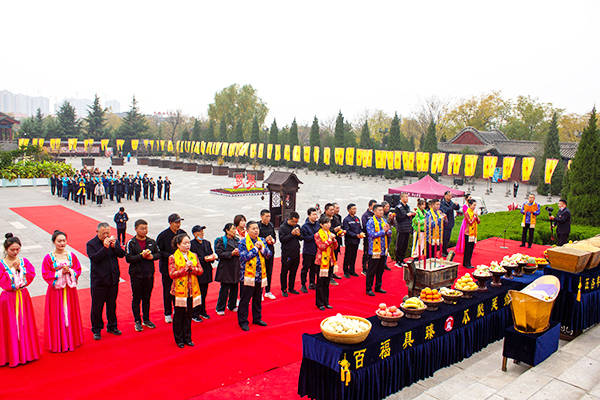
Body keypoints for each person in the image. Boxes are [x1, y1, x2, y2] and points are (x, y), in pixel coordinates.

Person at [0, 233, 40, 367]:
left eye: (17, 249)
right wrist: (13, 270)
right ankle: (10, 355)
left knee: (24, 323)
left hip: (22, 295)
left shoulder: (23, 262)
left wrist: (20, 270)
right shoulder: (2, 264)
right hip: (8, 298)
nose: (15, 252)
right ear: (6, 249)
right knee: (9, 325)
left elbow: (30, 275)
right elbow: (3, 282)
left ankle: (26, 353)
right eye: (12, 250)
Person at [42, 230, 83, 353]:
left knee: (70, 313)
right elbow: (45, 273)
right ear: (54, 242)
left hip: (69, 290)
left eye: (64, 240)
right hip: (56, 291)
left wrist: (70, 271)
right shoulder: (49, 257)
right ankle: (58, 342)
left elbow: (78, 269)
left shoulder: (71, 255)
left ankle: (71, 340)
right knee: (56, 314)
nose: (62, 243)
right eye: (59, 241)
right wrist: (60, 273)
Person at [86, 222, 126, 340]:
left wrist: (115, 247)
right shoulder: (91, 244)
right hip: (99, 281)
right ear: (97, 232)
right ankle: (97, 329)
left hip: (113, 280)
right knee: (97, 307)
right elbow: (94, 258)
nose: (106, 235)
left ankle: (112, 326)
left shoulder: (113, 241)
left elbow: (122, 255)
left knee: (112, 305)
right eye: (104, 233)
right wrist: (105, 248)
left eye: (108, 232)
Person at [169, 233, 203, 348]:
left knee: (189, 315)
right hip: (178, 292)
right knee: (179, 315)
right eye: (185, 243)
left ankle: (188, 337)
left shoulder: (193, 255)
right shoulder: (173, 257)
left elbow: (200, 270)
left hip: (191, 290)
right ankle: (179, 339)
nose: (188, 245)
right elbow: (172, 274)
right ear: (178, 245)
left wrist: (191, 268)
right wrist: (185, 269)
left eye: (188, 243)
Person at [125, 219, 159, 332]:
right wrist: (141, 256)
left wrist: (152, 257)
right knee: (136, 298)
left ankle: (146, 319)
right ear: (136, 229)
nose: (144, 231)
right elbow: (128, 258)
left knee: (147, 298)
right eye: (142, 228)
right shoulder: (131, 242)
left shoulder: (151, 241)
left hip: (149, 274)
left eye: (146, 228)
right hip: (136, 275)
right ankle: (137, 321)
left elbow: (158, 253)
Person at [238, 221, 272, 331]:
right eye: (253, 229)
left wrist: (262, 249)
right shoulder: (242, 242)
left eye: (257, 228)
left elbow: (268, 255)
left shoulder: (261, 240)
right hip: (247, 276)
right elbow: (244, 257)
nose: (256, 230)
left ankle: (257, 318)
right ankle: (243, 321)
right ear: (247, 231)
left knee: (257, 299)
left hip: (260, 275)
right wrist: (255, 249)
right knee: (245, 299)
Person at [156, 214, 186, 323]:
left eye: (179, 222)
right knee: (168, 290)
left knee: (179, 289)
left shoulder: (182, 233)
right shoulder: (163, 236)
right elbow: (158, 251)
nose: (178, 225)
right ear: (170, 223)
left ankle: (177, 309)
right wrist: (169, 256)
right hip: (167, 268)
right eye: (176, 222)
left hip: (181, 268)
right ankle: (167, 312)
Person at [190, 225, 217, 321]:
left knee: (204, 292)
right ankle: (194, 313)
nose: (202, 233)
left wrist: (212, 258)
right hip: (197, 272)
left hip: (206, 271)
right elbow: (192, 259)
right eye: (199, 232)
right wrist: (204, 259)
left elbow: (210, 253)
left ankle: (202, 310)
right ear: (194, 234)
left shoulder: (206, 243)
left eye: (202, 231)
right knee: (197, 293)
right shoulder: (191, 244)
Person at [365, 204, 392, 296]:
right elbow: (371, 234)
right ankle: (368, 288)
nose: (381, 212)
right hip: (374, 250)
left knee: (380, 270)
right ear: (374, 211)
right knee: (372, 270)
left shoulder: (384, 220)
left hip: (383, 249)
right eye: (379, 210)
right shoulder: (370, 221)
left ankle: (378, 286)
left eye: (382, 210)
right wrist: (383, 231)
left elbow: (389, 232)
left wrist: (388, 231)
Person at [214, 223, 240, 316]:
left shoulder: (237, 240)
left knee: (235, 287)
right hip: (226, 268)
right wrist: (231, 253)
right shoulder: (221, 240)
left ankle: (232, 305)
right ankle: (220, 307)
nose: (234, 231)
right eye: (232, 229)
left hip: (235, 267)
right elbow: (219, 253)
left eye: (234, 229)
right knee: (224, 289)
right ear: (227, 230)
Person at [314, 215, 338, 310]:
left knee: (327, 283)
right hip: (320, 261)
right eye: (326, 223)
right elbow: (321, 246)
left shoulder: (330, 234)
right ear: (321, 224)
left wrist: (334, 240)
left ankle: (326, 302)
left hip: (330, 260)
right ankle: (319, 303)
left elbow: (335, 247)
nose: (328, 225)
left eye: (329, 223)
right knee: (320, 283)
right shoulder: (317, 234)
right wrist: (329, 240)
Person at [279, 211, 303, 296]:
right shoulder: (282, 227)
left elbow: (301, 238)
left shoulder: (297, 226)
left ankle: (291, 288)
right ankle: (284, 289)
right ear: (289, 219)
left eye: (296, 222)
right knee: (284, 271)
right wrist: (291, 234)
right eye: (294, 221)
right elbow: (282, 240)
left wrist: (299, 234)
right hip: (287, 253)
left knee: (294, 271)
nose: (295, 223)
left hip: (296, 252)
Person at [300, 207, 320, 293]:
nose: (315, 216)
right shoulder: (305, 226)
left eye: (316, 214)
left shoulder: (318, 224)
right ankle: (303, 284)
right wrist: (315, 236)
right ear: (309, 215)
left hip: (316, 250)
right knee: (305, 268)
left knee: (314, 268)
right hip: (308, 250)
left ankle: (312, 282)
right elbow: (305, 238)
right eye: (313, 214)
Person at [258, 210, 277, 300]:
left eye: (269, 216)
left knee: (269, 271)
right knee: (261, 272)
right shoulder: (258, 226)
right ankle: (259, 292)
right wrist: (265, 240)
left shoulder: (271, 225)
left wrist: (272, 239)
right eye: (266, 216)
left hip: (270, 251)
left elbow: (275, 238)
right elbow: (255, 239)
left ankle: (268, 291)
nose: (268, 218)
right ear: (261, 216)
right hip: (261, 252)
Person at [342, 203, 364, 277]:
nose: (355, 210)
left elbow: (359, 228)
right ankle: (346, 271)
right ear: (349, 210)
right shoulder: (346, 220)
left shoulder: (357, 218)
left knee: (354, 256)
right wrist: (356, 235)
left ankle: (352, 270)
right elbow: (347, 231)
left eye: (355, 209)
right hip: (349, 241)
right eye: (353, 209)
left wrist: (361, 232)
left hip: (356, 241)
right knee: (348, 256)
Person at [394, 193, 415, 263]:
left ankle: (402, 259)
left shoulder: (407, 206)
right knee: (400, 245)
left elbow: (409, 215)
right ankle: (398, 261)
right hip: (401, 229)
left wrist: (412, 214)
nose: (407, 198)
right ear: (402, 198)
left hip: (407, 228)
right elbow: (398, 218)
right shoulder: (398, 207)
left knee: (405, 245)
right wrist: (406, 215)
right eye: (406, 197)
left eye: (407, 197)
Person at [440, 191, 460, 256]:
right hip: (444, 223)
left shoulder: (450, 202)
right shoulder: (442, 203)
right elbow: (445, 210)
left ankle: (445, 250)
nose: (450, 197)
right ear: (445, 196)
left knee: (448, 238)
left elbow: (457, 208)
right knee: (444, 238)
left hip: (450, 222)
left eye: (451, 195)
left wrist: (457, 205)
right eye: (449, 195)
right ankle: (442, 251)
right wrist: (453, 206)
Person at [463, 199, 481, 269]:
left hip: (473, 233)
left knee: (471, 249)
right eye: (473, 205)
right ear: (469, 205)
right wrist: (474, 217)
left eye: (475, 205)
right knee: (467, 249)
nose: (474, 207)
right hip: (468, 233)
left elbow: (478, 222)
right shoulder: (467, 213)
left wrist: (477, 216)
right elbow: (470, 222)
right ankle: (466, 263)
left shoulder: (473, 212)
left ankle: (468, 262)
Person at [361, 199, 377, 276]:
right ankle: (364, 268)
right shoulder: (365, 215)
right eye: (374, 206)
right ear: (370, 206)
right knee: (366, 253)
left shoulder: (376, 215)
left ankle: (372, 267)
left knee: (374, 253)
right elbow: (365, 226)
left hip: (376, 238)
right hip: (368, 237)